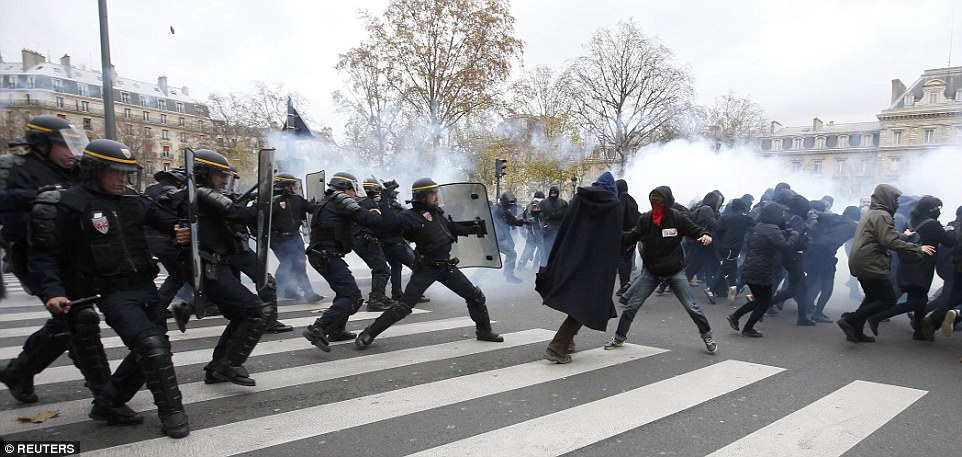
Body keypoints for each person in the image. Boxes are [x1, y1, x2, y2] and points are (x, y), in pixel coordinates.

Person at [28, 139, 190, 438]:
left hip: (145, 286)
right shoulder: (71, 204)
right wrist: (53, 291)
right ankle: (172, 413)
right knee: (151, 346)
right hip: (110, 291)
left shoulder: (134, 201)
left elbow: (166, 220)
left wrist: (180, 229)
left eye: (127, 173)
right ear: (94, 170)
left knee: (154, 349)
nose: (122, 179)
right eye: (115, 172)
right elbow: (46, 255)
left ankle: (108, 403)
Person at [0, 115, 108, 405]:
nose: (70, 152)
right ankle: (107, 394)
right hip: (34, 254)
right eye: (62, 145)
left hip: (74, 255)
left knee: (67, 322)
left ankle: (19, 371)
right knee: (77, 320)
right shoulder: (14, 166)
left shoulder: (74, 171)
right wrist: (43, 197)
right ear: (41, 145)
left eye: (73, 145)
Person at [354, 178, 504, 349]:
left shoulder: (435, 213)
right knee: (404, 306)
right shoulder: (410, 217)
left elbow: (449, 229)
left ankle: (484, 331)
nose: (436, 197)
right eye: (433, 194)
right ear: (422, 196)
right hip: (427, 268)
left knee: (475, 296)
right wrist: (385, 200)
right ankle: (369, 333)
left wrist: (471, 228)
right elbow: (389, 223)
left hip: (446, 267)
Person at [171, 149, 277, 385]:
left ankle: (217, 367)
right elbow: (236, 213)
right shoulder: (202, 192)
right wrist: (264, 207)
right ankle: (229, 365)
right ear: (203, 173)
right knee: (257, 311)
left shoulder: (201, 195)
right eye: (219, 174)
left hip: (216, 264)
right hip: (209, 266)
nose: (224, 180)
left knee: (241, 313)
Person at [605, 186, 718, 354]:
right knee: (631, 306)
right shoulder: (646, 220)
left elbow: (695, 230)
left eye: (660, 200)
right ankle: (619, 337)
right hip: (652, 271)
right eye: (653, 200)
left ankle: (707, 335)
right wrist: (612, 233)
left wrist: (705, 235)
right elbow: (632, 236)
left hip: (674, 271)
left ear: (668, 201)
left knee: (691, 306)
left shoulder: (678, 218)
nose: (656, 204)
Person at [302, 172, 400, 351]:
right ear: (346, 188)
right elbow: (365, 219)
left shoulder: (331, 201)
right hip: (326, 255)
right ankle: (318, 327)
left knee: (344, 293)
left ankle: (337, 330)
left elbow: (350, 218)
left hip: (323, 254)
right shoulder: (341, 199)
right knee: (352, 296)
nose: (355, 194)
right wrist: (384, 208)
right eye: (353, 190)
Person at [537, 172, 622, 363]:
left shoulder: (580, 198)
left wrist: (558, 256)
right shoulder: (614, 205)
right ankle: (557, 347)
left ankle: (568, 342)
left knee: (579, 300)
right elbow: (612, 240)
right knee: (588, 303)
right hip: (596, 264)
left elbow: (566, 227)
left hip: (573, 256)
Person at [837, 184, 936, 343]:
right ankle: (850, 320)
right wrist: (917, 249)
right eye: (895, 198)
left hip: (862, 260)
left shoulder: (873, 213)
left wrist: (904, 235)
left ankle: (856, 331)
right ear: (887, 198)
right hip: (871, 262)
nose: (897, 202)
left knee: (871, 297)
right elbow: (889, 241)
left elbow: (885, 234)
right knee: (888, 299)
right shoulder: (883, 215)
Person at [867, 196, 955, 340]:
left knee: (918, 299)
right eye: (937, 208)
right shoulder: (933, 224)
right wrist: (951, 230)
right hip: (922, 268)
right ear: (930, 209)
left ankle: (919, 333)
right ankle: (878, 316)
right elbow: (949, 242)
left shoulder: (910, 221)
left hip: (906, 266)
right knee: (917, 301)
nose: (938, 211)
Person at [726, 204, 801, 337]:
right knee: (765, 301)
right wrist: (795, 234)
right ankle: (748, 328)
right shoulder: (772, 228)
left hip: (752, 265)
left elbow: (775, 236)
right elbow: (785, 246)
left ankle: (735, 316)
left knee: (760, 300)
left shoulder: (761, 225)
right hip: (761, 268)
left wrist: (786, 232)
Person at [270, 172, 324, 304]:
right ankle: (308, 293)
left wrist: (324, 205)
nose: (294, 188)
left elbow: (312, 209)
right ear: (284, 185)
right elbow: (258, 218)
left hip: (295, 236)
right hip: (278, 239)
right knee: (297, 263)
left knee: (291, 263)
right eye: (292, 185)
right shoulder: (271, 201)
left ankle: (284, 289)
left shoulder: (297, 199)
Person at [805, 204, 858, 322]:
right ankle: (817, 313)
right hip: (826, 253)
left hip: (813, 249)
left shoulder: (833, 217)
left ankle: (806, 307)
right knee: (827, 284)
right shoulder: (854, 226)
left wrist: (813, 224)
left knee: (815, 280)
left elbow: (813, 210)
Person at [708, 197, 755, 304]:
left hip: (723, 246)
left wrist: (723, 239)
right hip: (733, 247)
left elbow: (718, 229)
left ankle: (732, 293)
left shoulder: (725, 217)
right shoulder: (745, 218)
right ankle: (711, 289)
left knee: (732, 268)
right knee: (724, 268)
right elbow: (756, 226)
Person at [492, 191, 526, 283]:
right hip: (497, 238)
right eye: (509, 204)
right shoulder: (496, 209)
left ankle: (476, 277)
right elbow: (491, 224)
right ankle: (509, 276)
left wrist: (524, 221)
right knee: (512, 253)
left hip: (501, 237)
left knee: (493, 258)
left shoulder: (503, 209)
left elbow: (513, 221)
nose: (511, 206)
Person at [615, 179, 641, 296]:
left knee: (620, 258)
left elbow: (618, 216)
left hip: (622, 234)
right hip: (633, 234)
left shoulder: (620, 200)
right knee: (628, 258)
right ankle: (628, 283)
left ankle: (624, 284)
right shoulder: (632, 200)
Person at [537, 185, 568, 266]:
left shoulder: (563, 203)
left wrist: (551, 215)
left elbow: (566, 213)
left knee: (558, 249)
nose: (553, 194)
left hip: (559, 229)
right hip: (548, 229)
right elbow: (538, 214)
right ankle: (547, 266)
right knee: (547, 250)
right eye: (552, 192)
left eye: (555, 193)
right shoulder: (543, 203)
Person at [518, 191, 546, 271]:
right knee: (541, 248)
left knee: (529, 246)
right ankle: (542, 265)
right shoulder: (540, 205)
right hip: (538, 229)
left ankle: (522, 261)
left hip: (530, 229)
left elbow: (524, 215)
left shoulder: (529, 205)